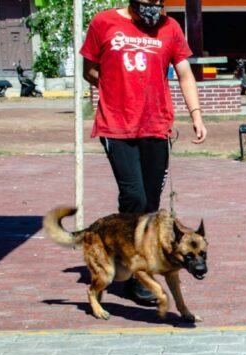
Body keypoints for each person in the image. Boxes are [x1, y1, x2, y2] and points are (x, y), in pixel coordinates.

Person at [81, 0, 207, 306]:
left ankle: (136, 265)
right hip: (116, 126)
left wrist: (196, 114)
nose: (154, 8)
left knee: (150, 205)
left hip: (156, 126)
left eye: (159, 2)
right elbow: (90, 70)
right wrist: (117, 86)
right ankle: (136, 272)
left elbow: (185, 73)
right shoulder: (104, 23)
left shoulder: (170, 27)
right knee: (134, 197)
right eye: (148, 2)